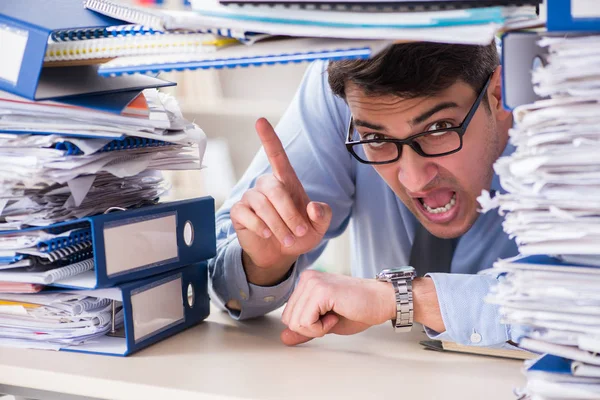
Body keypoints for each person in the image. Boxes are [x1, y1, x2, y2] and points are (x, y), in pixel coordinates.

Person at [207, 41, 519, 347]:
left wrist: (403, 298)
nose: (414, 181)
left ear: (498, 95)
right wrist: (263, 265)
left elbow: (568, 305)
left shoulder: (559, 96)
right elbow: (215, 272)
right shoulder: (343, 83)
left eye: (439, 128)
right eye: (375, 137)